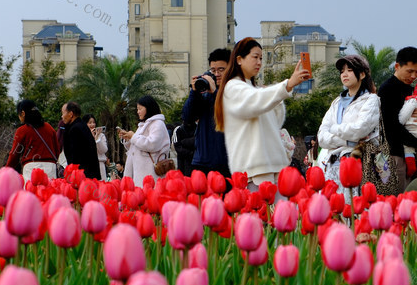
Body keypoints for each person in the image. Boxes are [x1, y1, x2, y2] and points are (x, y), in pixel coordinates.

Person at [215, 37, 310, 190]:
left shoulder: (253, 89)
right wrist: (287, 85)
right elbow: (257, 102)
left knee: (277, 213)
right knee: (263, 212)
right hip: (255, 168)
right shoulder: (233, 87)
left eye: (261, 58)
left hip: (271, 165)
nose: (259, 62)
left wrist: (273, 95)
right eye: (255, 57)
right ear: (239, 59)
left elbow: (275, 123)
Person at [317, 54, 381, 195]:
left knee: (355, 207)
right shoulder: (336, 103)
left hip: (359, 164)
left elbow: (360, 129)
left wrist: (333, 129)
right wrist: (347, 140)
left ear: (362, 74)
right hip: (333, 164)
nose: (345, 74)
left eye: (350, 70)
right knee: (335, 207)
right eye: (342, 71)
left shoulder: (370, 100)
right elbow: (321, 137)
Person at [378, 47, 417, 193]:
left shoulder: (413, 90)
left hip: (410, 156)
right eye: (409, 71)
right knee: (393, 202)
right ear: (397, 66)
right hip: (391, 156)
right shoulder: (387, 89)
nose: (413, 75)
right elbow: (390, 125)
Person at [182, 48, 232, 177]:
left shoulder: (235, 91)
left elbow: (229, 115)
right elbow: (187, 117)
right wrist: (194, 93)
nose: (216, 74)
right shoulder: (205, 94)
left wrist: (215, 92)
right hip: (201, 162)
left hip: (226, 163)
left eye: (221, 70)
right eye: (213, 70)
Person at [4, 99, 61, 180]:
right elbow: (57, 150)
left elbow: (14, 154)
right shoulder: (49, 128)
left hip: (31, 169)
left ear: (23, 113)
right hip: (50, 168)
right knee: (49, 191)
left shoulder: (22, 130)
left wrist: (7, 169)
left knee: (32, 191)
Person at [119, 95, 170, 184]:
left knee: (148, 195)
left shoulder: (158, 124)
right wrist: (128, 138)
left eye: (140, 109)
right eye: (137, 109)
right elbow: (137, 145)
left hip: (150, 173)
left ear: (148, 108)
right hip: (141, 172)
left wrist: (133, 137)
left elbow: (152, 144)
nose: (138, 112)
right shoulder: (144, 124)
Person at [60, 101, 101, 179]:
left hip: (81, 176)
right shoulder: (82, 126)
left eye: (63, 113)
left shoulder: (75, 129)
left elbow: (74, 156)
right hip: (90, 174)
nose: (62, 116)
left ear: (71, 114)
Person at [86, 113, 109, 180]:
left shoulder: (101, 136)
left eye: (94, 122)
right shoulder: (84, 136)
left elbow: (104, 150)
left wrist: (97, 139)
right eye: (90, 123)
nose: (92, 125)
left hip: (100, 164)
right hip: (88, 165)